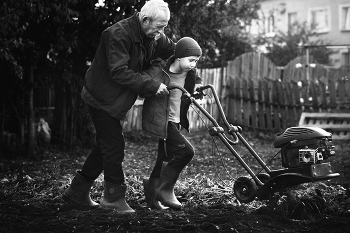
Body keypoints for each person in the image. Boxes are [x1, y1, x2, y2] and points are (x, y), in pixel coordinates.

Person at [62, 0, 175, 213]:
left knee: (104, 146)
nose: (162, 31)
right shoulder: (117, 34)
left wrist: (187, 54)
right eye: (160, 26)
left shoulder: (152, 35)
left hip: (115, 100)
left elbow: (172, 49)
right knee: (114, 146)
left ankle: (75, 193)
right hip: (100, 98)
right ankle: (113, 199)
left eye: (165, 26)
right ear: (145, 20)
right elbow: (119, 71)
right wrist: (151, 83)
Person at [141, 37, 202, 210]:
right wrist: (154, 85)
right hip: (163, 121)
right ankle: (165, 189)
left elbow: (193, 85)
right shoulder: (160, 71)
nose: (193, 64)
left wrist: (196, 92)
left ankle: (152, 200)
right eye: (191, 60)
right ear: (179, 57)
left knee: (164, 158)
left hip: (175, 122)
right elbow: (143, 84)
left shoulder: (189, 74)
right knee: (186, 152)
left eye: (196, 61)